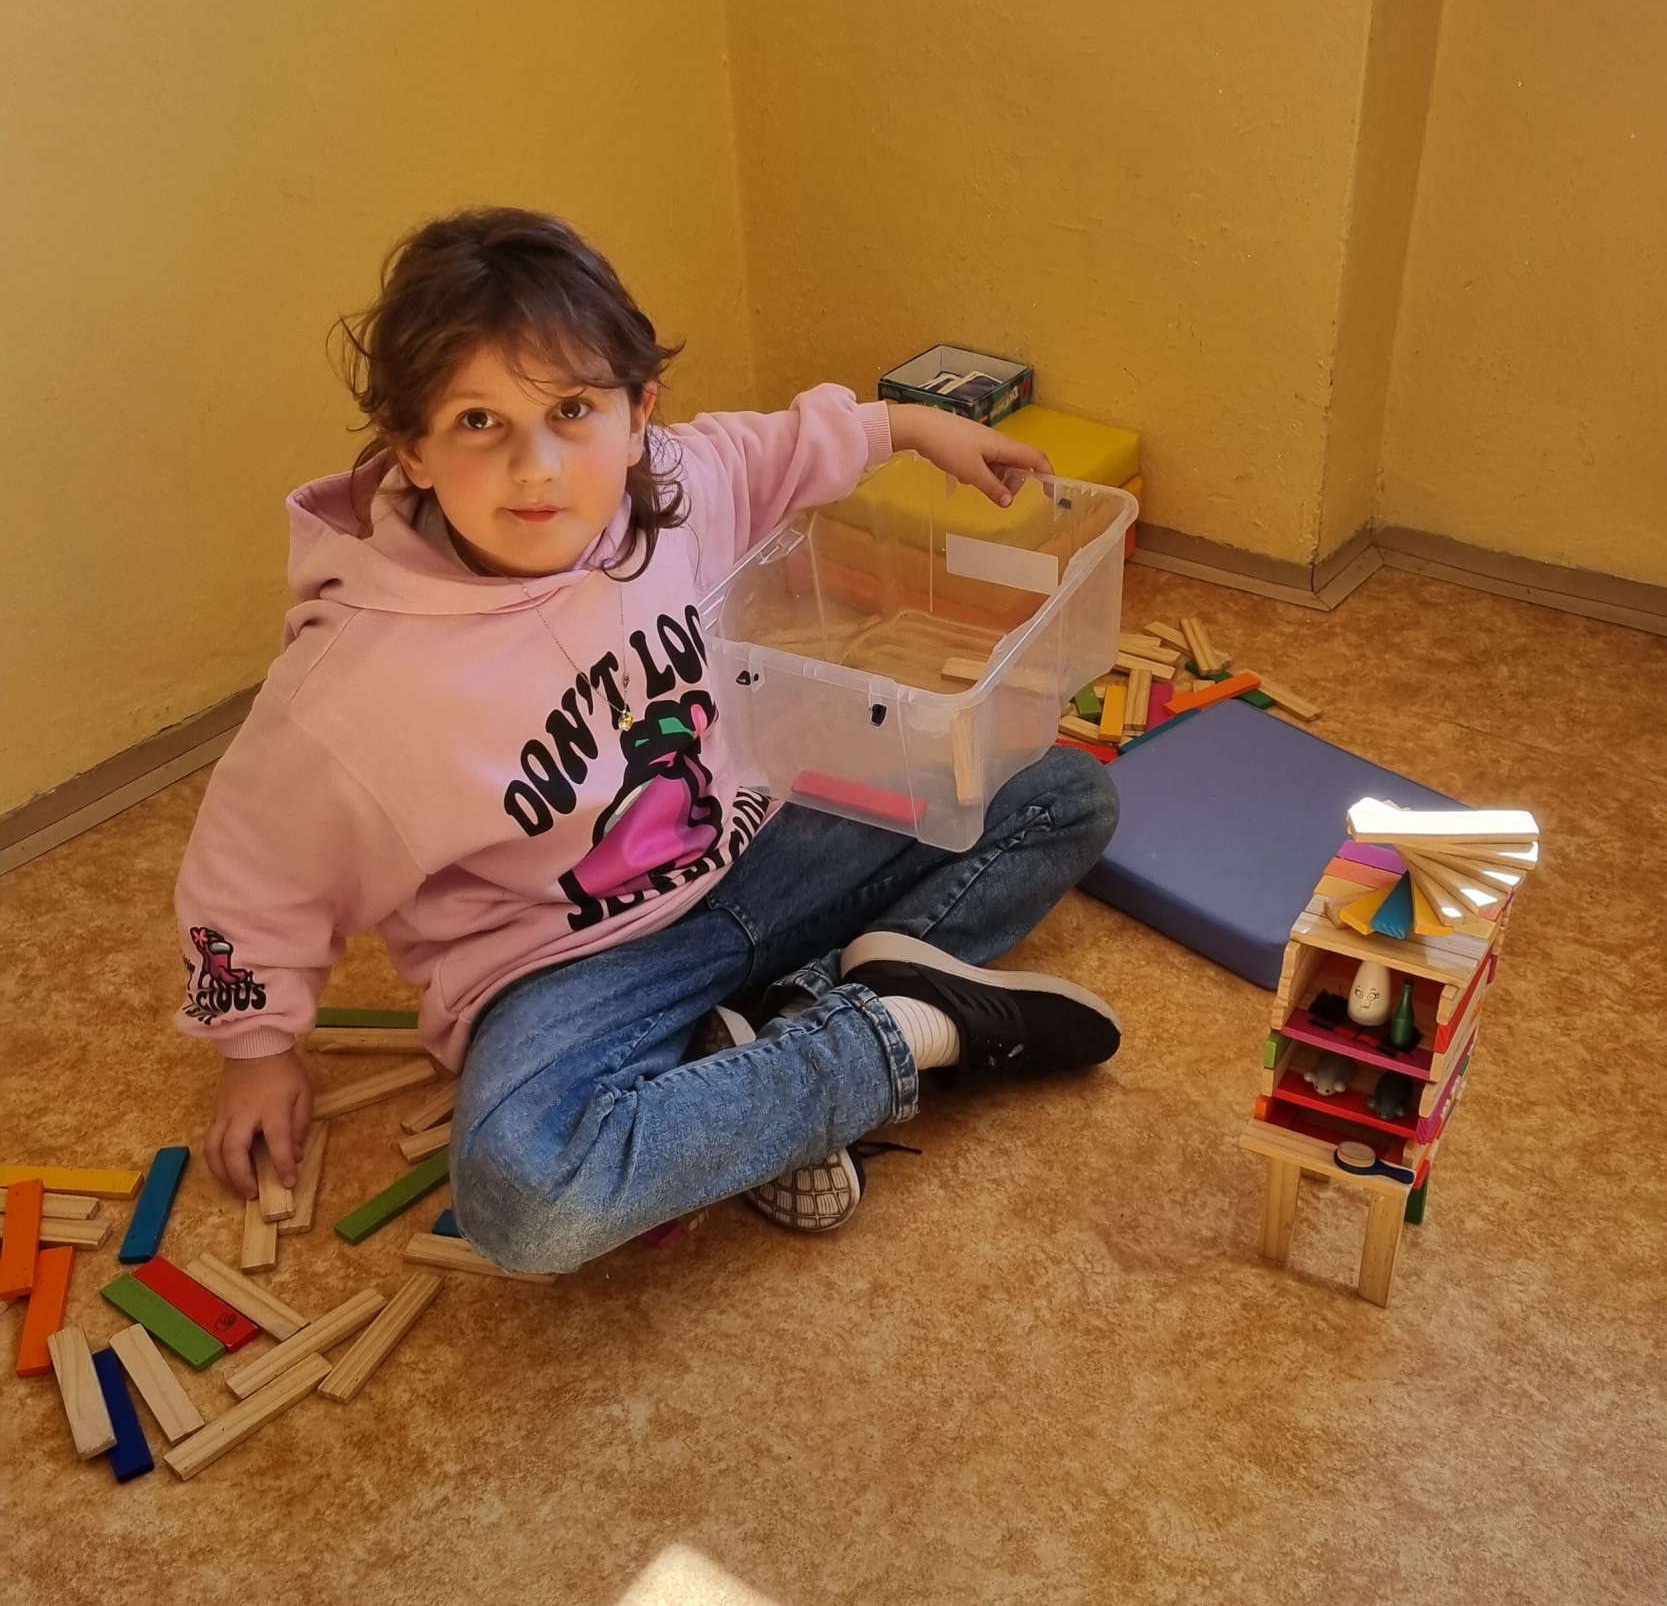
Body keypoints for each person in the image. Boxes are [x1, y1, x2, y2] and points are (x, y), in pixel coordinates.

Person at [177, 208, 1122, 1273]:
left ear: (637, 417)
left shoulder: (665, 490)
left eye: (571, 410)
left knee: (1060, 793)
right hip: (570, 965)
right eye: (480, 421)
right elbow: (256, 861)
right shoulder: (355, 688)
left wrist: (904, 428)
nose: (536, 467)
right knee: (528, 1197)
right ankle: (898, 1034)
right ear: (413, 449)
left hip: (763, 854)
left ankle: (780, 1028)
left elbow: (767, 452)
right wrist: (256, 1047)